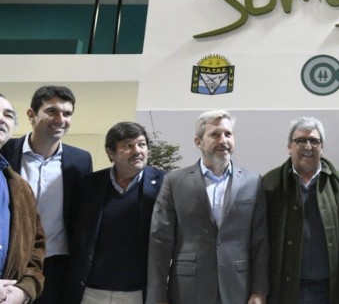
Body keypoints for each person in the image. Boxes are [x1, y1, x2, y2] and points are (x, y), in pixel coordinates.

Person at [147, 110, 270, 304]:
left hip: (238, 289)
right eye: (215, 134)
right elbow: (160, 242)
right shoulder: (175, 181)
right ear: (198, 142)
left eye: (228, 134)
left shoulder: (253, 182)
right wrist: (157, 297)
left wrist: (260, 292)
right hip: (188, 290)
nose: (223, 140)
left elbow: (260, 242)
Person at [0, 85, 93, 304]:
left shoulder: (80, 161)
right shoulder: (6, 151)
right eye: (52, 111)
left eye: (67, 113)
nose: (60, 119)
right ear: (31, 115)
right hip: (16, 261)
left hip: (58, 263)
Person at [66, 122, 167, 304]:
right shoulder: (89, 185)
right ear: (111, 152)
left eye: (142, 144)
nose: (137, 151)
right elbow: (73, 230)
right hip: (91, 291)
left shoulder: (164, 184)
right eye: (128, 145)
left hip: (137, 292)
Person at [263, 117, 339, 304]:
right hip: (284, 291)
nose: (308, 146)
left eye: (314, 141)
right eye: (300, 140)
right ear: (289, 146)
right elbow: (258, 242)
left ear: (322, 147)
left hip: (330, 291)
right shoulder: (269, 184)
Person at [0, 94, 45, 304]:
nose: (2, 119)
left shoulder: (20, 187)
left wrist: (23, 291)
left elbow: (36, 247)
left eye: (8, 115)